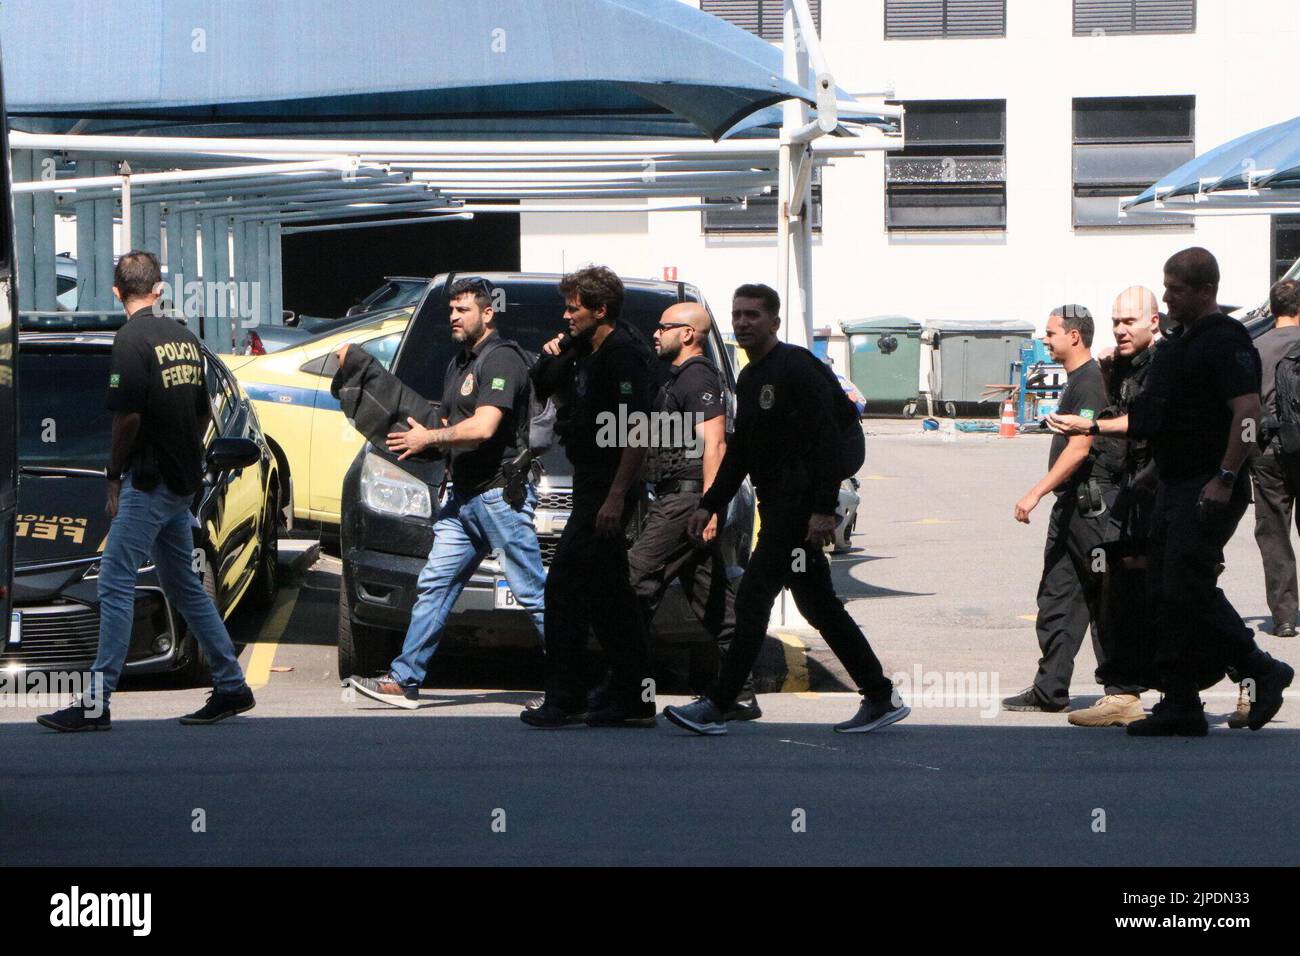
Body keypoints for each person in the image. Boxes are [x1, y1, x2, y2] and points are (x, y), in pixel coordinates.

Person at [1050, 248, 1294, 735]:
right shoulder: (1183, 343)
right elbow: (1169, 421)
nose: (1168, 296)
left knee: (1186, 587)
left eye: (1177, 288)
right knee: (1167, 591)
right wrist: (1153, 472)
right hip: (1177, 483)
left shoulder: (1224, 341)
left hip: (1208, 486)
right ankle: (1181, 703)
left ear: (1206, 291)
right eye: (1166, 286)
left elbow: (1246, 415)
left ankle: (1260, 669)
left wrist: (1225, 477)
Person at [662, 284, 906, 735]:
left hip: (797, 513)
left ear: (774, 321)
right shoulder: (750, 378)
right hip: (778, 510)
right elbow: (742, 452)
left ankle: (722, 702)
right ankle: (879, 694)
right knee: (820, 607)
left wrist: (822, 509)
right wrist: (710, 504)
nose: (742, 323)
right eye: (737, 315)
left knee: (753, 603)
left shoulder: (797, 366)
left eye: (753, 315)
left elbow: (828, 439)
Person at [37, 251, 255, 731]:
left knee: (114, 581)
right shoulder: (182, 337)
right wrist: (187, 457)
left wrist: (114, 473)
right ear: (158, 289)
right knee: (184, 586)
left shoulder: (130, 341)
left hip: (148, 483)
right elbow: (202, 412)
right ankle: (231, 683)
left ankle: (96, 703)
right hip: (179, 485)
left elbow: (127, 417)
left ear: (117, 292)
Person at [344, 277, 546, 708]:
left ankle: (573, 685)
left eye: (463, 310)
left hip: (498, 497)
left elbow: (484, 427)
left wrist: (430, 441)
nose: (454, 317)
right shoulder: (459, 364)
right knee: (435, 583)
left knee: (531, 591)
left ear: (487, 314)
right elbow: (448, 422)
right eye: (451, 310)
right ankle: (405, 679)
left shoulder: (502, 361)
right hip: (464, 499)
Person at [522, 266, 657, 728]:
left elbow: (636, 433)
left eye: (573, 308)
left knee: (562, 589)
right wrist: (562, 348)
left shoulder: (624, 356)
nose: (566, 315)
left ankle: (565, 698)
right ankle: (634, 697)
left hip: (608, 485)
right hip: (588, 483)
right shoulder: (586, 348)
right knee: (610, 598)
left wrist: (616, 497)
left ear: (601, 310)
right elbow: (541, 380)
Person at [625, 301, 760, 721]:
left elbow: (714, 443)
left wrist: (709, 505)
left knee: (634, 580)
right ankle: (739, 693)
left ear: (687, 334)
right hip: (676, 497)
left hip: (686, 500)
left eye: (663, 327)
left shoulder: (699, 375)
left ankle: (630, 693)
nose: (655, 333)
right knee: (712, 601)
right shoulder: (676, 378)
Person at [1002, 305, 1132, 714]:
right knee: (1058, 597)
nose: (1045, 339)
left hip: (1091, 509)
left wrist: (1034, 493)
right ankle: (1049, 688)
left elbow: (1080, 448)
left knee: (1102, 597)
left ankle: (1121, 689)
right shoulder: (1079, 379)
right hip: (1072, 508)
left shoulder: (1090, 382)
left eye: (1051, 333)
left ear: (1074, 336)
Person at [1067, 288, 1161, 727]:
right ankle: (1124, 693)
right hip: (1137, 495)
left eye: (1130, 322)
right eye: (1116, 322)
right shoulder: (1126, 366)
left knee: (1182, 592)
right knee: (1127, 591)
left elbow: (1150, 425)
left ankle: (1250, 674)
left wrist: (1091, 424)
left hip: (1168, 494)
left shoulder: (1165, 365)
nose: (1121, 330)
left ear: (1154, 322)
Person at [1250, 278, 1300, 638]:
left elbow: (1246, 407)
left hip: (1268, 450)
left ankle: (1284, 616)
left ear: (1272, 310)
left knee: (1275, 534)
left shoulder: (1255, 347)